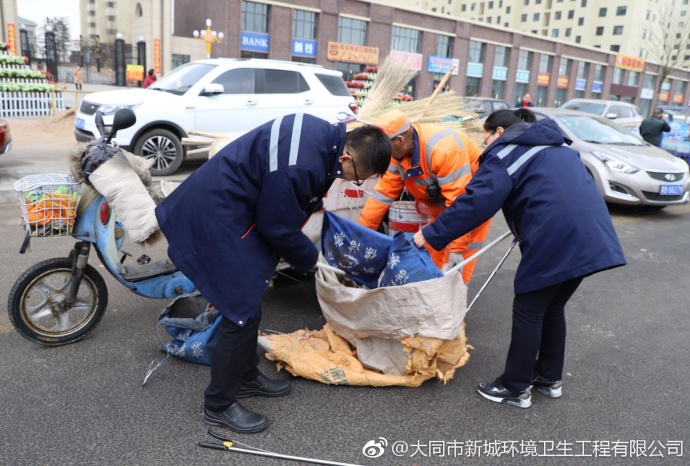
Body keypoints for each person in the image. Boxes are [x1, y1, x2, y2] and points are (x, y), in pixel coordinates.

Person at [155, 114, 391, 433]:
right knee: (240, 311)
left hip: (237, 205)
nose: (353, 183)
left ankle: (245, 375)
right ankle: (218, 405)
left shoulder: (324, 137)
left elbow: (292, 196)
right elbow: (276, 225)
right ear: (347, 158)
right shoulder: (303, 165)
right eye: (358, 178)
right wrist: (313, 261)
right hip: (216, 214)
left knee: (250, 300)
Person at [413, 108, 626, 409]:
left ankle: (515, 386)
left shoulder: (506, 154)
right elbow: (553, 193)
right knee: (552, 307)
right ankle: (548, 378)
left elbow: (475, 203)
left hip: (555, 238)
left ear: (499, 132)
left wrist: (431, 234)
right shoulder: (560, 149)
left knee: (528, 308)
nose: (484, 144)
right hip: (592, 236)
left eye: (485, 137)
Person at [357, 109, 491, 283]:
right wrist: (360, 237)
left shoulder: (444, 150)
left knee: (454, 267)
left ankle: (453, 295)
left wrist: (457, 249)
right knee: (432, 262)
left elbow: (461, 204)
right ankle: (435, 292)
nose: (381, 151)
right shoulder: (396, 155)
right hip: (444, 210)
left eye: (383, 145)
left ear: (400, 140)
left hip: (471, 210)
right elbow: (381, 196)